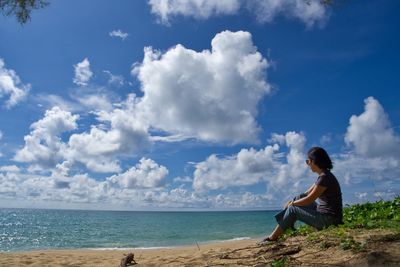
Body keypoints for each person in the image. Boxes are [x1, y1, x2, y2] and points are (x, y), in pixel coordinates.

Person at [258, 147, 343, 245]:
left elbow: (309, 199)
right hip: (326, 216)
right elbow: (306, 194)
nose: (307, 164)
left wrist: (292, 204)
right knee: (299, 197)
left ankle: (272, 238)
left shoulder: (324, 178)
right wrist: (292, 201)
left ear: (314, 161)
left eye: (308, 161)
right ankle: (288, 225)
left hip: (330, 220)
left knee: (292, 209)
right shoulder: (323, 176)